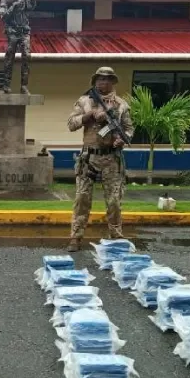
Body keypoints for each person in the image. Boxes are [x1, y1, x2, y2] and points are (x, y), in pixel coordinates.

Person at [66, 66, 135, 252]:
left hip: (111, 159)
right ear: (94, 81)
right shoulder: (84, 101)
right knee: (82, 199)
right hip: (89, 158)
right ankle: (76, 237)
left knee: (114, 201)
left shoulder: (121, 105)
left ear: (113, 82)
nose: (103, 82)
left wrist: (123, 138)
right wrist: (89, 116)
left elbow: (129, 128)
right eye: (100, 79)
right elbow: (71, 124)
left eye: (107, 79)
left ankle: (116, 237)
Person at [0, 0, 35, 94]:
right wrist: (13, 7)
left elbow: (30, 9)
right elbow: (3, 16)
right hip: (12, 32)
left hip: (24, 31)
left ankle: (24, 86)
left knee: (27, 57)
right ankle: (6, 84)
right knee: (10, 58)